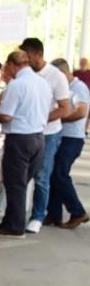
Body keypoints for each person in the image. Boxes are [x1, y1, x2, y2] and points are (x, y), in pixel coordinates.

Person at [0, 50, 51, 236]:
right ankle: (11, 220)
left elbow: (6, 116)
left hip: (19, 139)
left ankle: (15, 226)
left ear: (13, 65)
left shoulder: (17, 85)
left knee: (15, 184)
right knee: (21, 183)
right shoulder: (42, 83)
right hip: (38, 137)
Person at [21, 37, 75, 233]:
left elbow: (65, 109)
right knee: (21, 176)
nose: (26, 61)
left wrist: (41, 119)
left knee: (42, 176)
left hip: (48, 134)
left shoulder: (55, 76)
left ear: (38, 54)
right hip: (25, 133)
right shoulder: (24, 75)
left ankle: (37, 216)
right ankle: (16, 215)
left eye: (28, 56)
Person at [46, 57, 90, 228]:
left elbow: (80, 112)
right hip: (60, 136)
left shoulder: (78, 88)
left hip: (72, 138)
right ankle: (54, 214)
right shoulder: (64, 87)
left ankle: (78, 212)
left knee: (60, 174)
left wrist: (58, 118)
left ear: (63, 73)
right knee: (53, 174)